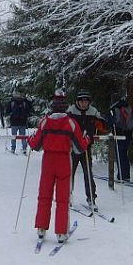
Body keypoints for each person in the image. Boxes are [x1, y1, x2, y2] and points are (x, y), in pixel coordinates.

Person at [28, 90, 89, 243]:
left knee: (44, 195)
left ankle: (41, 228)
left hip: (48, 160)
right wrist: (86, 139)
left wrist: (30, 139)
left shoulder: (45, 122)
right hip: (63, 161)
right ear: (65, 107)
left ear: (52, 106)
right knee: (63, 198)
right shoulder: (70, 123)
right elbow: (80, 147)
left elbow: (36, 145)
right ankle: (61, 232)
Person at [66, 89, 102, 210]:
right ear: (78, 101)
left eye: (86, 101)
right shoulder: (71, 111)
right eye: (81, 101)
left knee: (88, 173)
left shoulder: (93, 111)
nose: (84, 103)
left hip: (86, 147)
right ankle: (68, 196)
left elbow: (101, 125)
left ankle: (91, 199)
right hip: (73, 148)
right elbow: (65, 126)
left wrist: (105, 124)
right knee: (70, 173)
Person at [110, 97, 133, 182]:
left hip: (119, 133)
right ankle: (126, 175)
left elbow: (115, 121)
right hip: (128, 133)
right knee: (124, 154)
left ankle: (121, 176)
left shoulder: (115, 108)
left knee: (119, 154)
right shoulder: (127, 106)